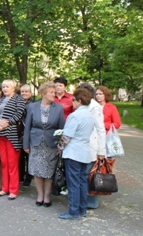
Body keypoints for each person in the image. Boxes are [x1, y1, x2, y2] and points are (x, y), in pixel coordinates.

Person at [23, 82, 65, 207]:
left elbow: (62, 129)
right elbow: (27, 127)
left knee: (48, 172)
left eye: (55, 92)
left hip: (51, 145)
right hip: (35, 143)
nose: (54, 94)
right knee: (37, 171)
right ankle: (40, 195)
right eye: (51, 92)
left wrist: (61, 146)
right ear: (43, 94)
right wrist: (26, 144)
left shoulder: (58, 108)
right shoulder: (32, 106)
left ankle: (47, 196)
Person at [57, 88, 94, 220]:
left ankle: (73, 211)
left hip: (73, 152)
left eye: (73, 100)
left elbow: (67, 136)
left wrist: (59, 147)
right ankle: (82, 208)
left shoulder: (75, 115)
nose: (72, 102)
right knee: (82, 182)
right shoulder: (90, 115)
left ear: (79, 100)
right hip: (85, 152)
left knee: (73, 183)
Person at [0, 80, 25, 200]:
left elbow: (19, 114)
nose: (5, 89)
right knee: (4, 163)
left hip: (12, 134)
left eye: (7, 86)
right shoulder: (2, 100)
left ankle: (13, 190)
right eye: (3, 87)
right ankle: (5, 188)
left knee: (12, 164)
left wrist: (6, 123)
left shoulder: (18, 99)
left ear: (13, 88)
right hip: (0, 134)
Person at [77, 83, 106, 209]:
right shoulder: (83, 105)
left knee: (90, 176)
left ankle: (91, 202)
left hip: (91, 146)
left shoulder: (95, 107)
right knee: (82, 175)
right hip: (81, 145)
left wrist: (101, 150)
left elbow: (101, 130)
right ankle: (82, 201)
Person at [19, 84, 33, 187]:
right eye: (22, 91)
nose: (24, 93)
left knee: (29, 157)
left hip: (30, 133)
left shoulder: (34, 104)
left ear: (30, 93)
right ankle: (20, 176)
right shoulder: (17, 103)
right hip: (19, 132)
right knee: (19, 156)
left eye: (26, 91)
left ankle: (28, 177)